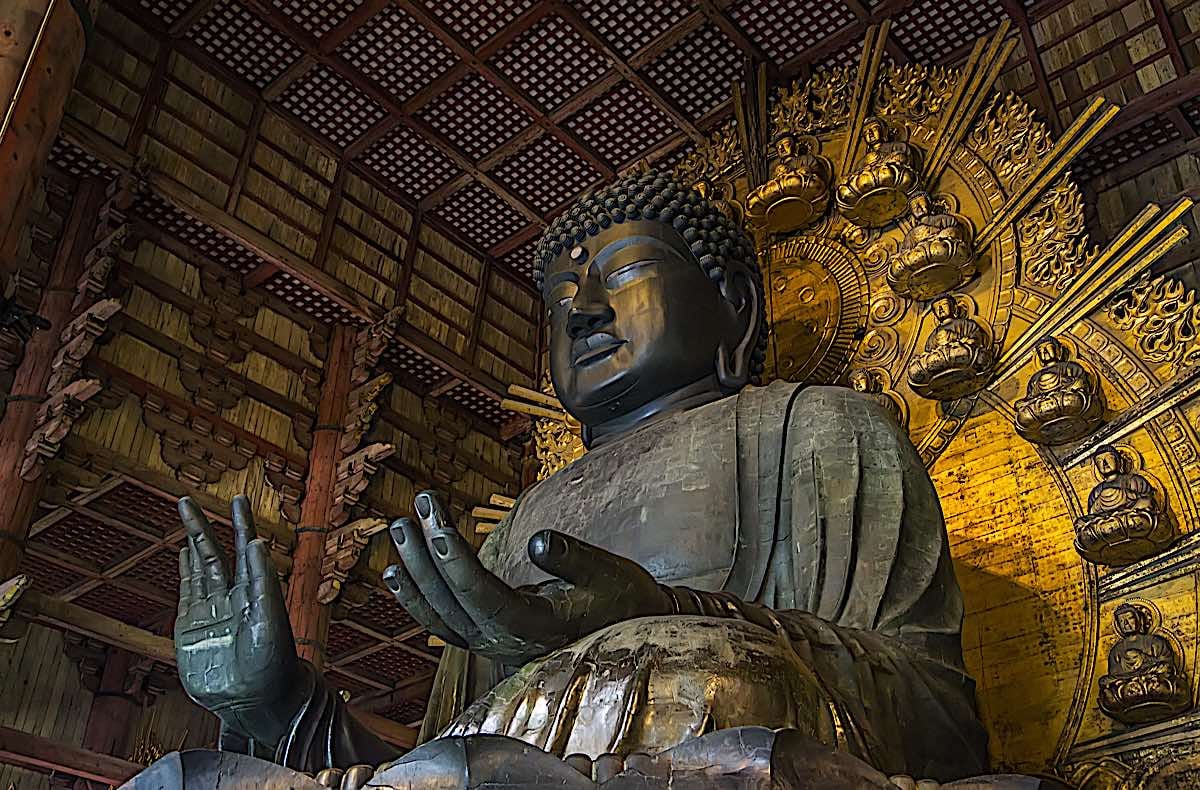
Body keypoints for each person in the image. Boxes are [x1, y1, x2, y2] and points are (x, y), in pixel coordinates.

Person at [171, 171, 996, 788]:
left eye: (625, 273)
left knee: (702, 666)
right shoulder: (526, 516)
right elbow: (449, 757)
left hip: (738, 756)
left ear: (737, 309)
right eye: (562, 298)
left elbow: (939, 724)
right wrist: (279, 707)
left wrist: (667, 614)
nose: (585, 310)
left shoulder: (818, 428)